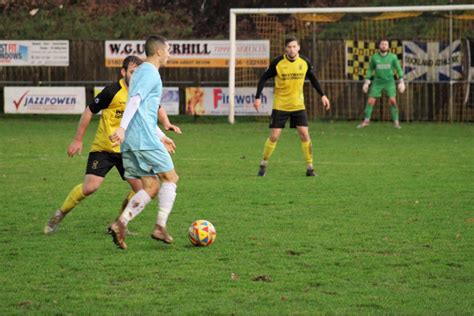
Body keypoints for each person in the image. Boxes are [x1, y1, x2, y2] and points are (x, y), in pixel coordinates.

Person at [44, 55, 180, 235]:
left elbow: (157, 108)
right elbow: (89, 110)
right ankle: (59, 214)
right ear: (123, 72)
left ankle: (119, 224)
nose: (136, 76)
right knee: (90, 187)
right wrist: (78, 139)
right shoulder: (112, 91)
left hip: (128, 149)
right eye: (132, 72)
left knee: (141, 189)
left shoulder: (142, 87)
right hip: (104, 148)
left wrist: (166, 125)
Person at [108, 35, 178, 249]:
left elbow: (143, 111)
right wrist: (122, 127)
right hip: (141, 138)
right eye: (168, 50)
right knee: (171, 178)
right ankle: (160, 227)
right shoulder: (149, 73)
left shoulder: (139, 72)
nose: (169, 54)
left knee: (150, 186)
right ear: (158, 51)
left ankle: (121, 222)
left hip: (134, 139)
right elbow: (136, 100)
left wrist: (161, 135)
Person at [253, 36, 330, 177]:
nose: (292, 49)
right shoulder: (278, 63)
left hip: (298, 105)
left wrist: (323, 95)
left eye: (294, 46)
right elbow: (263, 78)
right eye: (289, 47)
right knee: (274, 136)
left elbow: (313, 78)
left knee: (305, 135)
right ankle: (264, 163)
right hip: (280, 105)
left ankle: (310, 168)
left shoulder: (305, 62)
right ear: (285, 48)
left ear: (298, 48)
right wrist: (257, 97)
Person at [357, 39, 405, 129]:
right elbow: (370, 69)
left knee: (393, 101)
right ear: (379, 46)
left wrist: (401, 81)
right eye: (382, 44)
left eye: (386, 44)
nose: (384, 46)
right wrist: (367, 82)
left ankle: (396, 122)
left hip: (389, 82)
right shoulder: (374, 57)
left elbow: (398, 69)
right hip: (377, 82)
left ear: (388, 46)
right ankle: (366, 121)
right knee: (370, 101)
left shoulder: (393, 57)